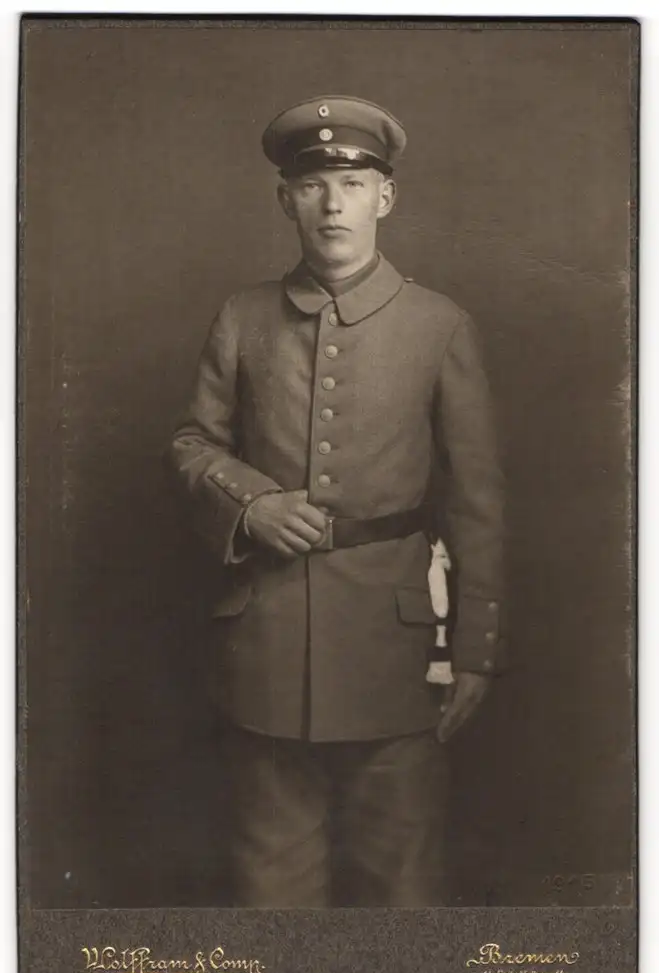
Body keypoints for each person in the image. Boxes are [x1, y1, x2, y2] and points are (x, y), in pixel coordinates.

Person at [168, 95, 506, 907]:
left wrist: (476, 649)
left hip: (395, 655)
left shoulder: (439, 325)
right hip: (266, 650)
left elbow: (477, 502)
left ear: (383, 198)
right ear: (285, 199)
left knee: (402, 888)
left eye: (351, 186)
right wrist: (250, 504)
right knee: (271, 889)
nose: (332, 204)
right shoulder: (242, 317)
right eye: (313, 184)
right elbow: (191, 445)